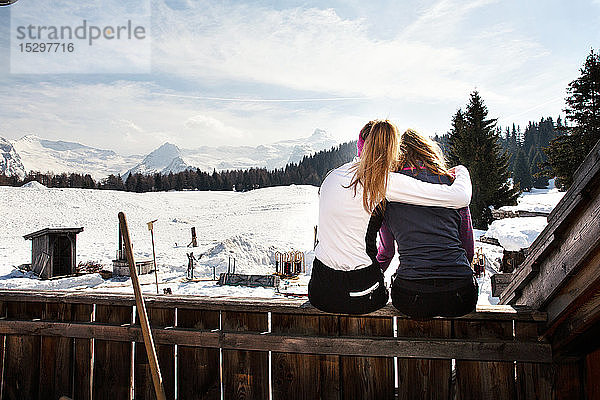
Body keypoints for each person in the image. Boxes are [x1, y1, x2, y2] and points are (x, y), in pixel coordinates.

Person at [309, 120, 472, 314]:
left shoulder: (332, 176)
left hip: (319, 290)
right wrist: (461, 171)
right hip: (361, 294)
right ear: (394, 150)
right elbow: (459, 198)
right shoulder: (384, 182)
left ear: (361, 145)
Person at [376, 128, 477, 319]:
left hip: (412, 294)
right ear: (429, 151)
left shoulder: (390, 193)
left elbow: (386, 250)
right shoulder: (452, 185)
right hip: (460, 293)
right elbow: (468, 247)